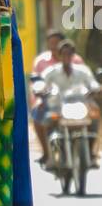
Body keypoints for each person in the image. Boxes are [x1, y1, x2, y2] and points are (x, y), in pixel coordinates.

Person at [41, 39, 102, 168]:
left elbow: (93, 84)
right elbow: (42, 84)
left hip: (79, 107)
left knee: (95, 118)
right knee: (47, 119)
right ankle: (51, 156)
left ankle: (90, 153)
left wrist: (96, 89)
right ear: (59, 55)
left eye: (69, 54)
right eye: (64, 54)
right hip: (59, 108)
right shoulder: (52, 72)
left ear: (73, 55)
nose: (67, 57)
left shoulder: (82, 71)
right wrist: (42, 89)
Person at [30, 30, 85, 165]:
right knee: (37, 114)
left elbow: (86, 81)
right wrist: (39, 97)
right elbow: (37, 84)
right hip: (51, 102)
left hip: (75, 101)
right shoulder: (43, 64)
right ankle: (47, 153)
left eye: (56, 43)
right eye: (51, 43)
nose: (53, 46)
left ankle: (89, 150)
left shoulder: (77, 62)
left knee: (94, 114)